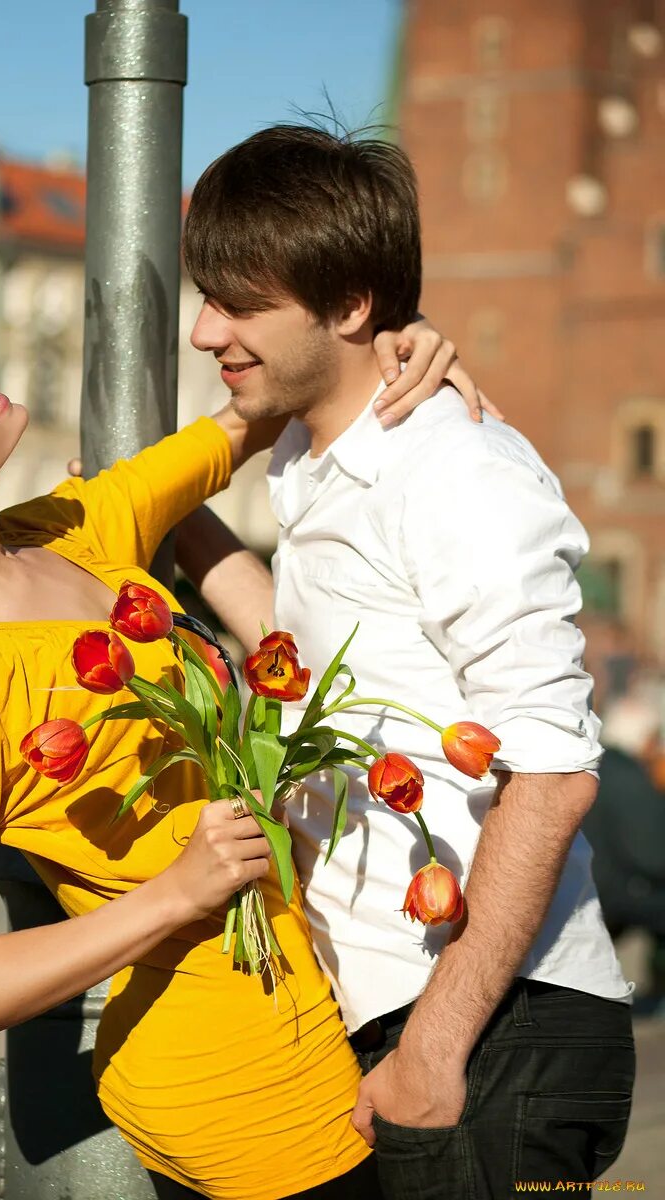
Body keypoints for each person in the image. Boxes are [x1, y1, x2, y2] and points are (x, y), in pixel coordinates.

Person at [0, 275, 478, 1197]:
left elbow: (244, 421)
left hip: (324, 1005)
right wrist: (175, 894)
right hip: (232, 1085)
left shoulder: (64, 531)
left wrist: (400, 340)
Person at [181, 124, 635, 1198]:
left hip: (493, 1026)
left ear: (347, 309)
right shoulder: (312, 452)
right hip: (394, 1015)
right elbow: (307, 658)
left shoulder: (453, 472)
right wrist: (169, 525)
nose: (204, 331)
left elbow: (556, 769)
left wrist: (436, 1044)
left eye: (238, 303)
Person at [583, 690, 665, 1012]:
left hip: (593, 884)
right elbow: (653, 856)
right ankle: (656, 995)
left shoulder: (595, 767)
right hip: (615, 893)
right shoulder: (631, 779)